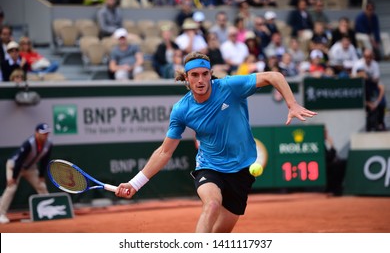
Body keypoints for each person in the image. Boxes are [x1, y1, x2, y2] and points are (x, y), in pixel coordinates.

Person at [114, 51, 317, 233]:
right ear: (186, 78)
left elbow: (274, 76)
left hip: (242, 170)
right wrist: (135, 183)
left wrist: (292, 104)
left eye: (205, 74)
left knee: (220, 235)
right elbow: (164, 152)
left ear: (211, 74)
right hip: (209, 167)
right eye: (195, 75)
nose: (201, 80)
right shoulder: (181, 109)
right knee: (211, 204)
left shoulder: (230, 87)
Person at [0, 123, 52, 224]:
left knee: (41, 186)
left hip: (30, 168)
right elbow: (19, 161)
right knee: (11, 188)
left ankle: (50, 210)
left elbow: (45, 160)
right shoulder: (29, 143)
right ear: (36, 133)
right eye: (43, 133)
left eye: (47, 133)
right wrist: (14, 177)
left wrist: (41, 175)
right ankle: (1, 214)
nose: (45, 135)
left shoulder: (49, 144)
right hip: (14, 166)